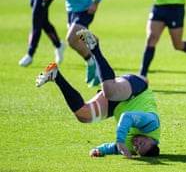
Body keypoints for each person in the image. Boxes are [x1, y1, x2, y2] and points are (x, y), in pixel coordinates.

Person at [35, 28, 160, 159]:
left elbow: (114, 148)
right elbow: (127, 117)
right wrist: (120, 141)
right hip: (137, 91)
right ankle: (94, 47)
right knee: (110, 91)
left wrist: (99, 150)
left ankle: (55, 75)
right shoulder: (151, 125)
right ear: (152, 139)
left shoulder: (134, 148)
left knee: (84, 115)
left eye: (137, 148)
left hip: (118, 105)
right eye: (142, 143)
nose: (136, 144)